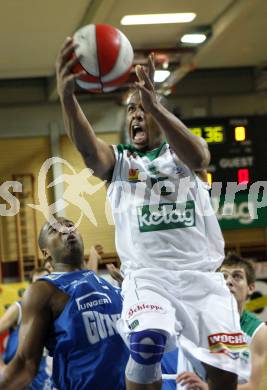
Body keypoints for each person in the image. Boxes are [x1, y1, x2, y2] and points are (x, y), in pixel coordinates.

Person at [56, 38, 248, 390]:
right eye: (130, 110)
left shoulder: (184, 159)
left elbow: (201, 157)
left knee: (223, 373)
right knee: (147, 343)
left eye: (141, 108)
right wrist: (67, 97)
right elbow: (87, 150)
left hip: (202, 280)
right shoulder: (120, 162)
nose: (136, 114)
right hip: (150, 278)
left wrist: (154, 104)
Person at [0, 217, 129, 389]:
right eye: (55, 230)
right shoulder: (43, 290)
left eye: (70, 226)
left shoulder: (106, 285)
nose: (66, 230)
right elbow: (25, 365)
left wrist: (130, 290)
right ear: (46, 253)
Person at [176, 254, 267, 390]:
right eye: (223, 276)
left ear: (251, 288)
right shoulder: (197, 320)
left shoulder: (258, 331)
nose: (229, 281)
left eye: (237, 276)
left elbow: (254, 386)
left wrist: (209, 387)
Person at [0, 267, 52, 389]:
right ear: (31, 288)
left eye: (46, 282)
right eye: (38, 283)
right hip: (14, 379)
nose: (42, 288)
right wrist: (1, 366)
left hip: (40, 378)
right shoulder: (19, 308)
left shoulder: (53, 310)